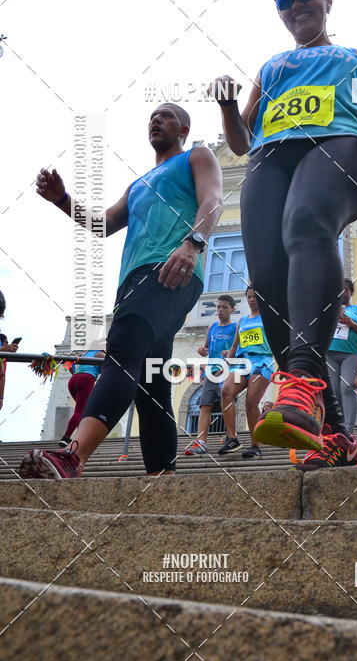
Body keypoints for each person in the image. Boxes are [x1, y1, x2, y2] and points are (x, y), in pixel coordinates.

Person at [211, 0, 357, 470]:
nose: (295, 5)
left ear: (327, 1)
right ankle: (337, 436)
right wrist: (229, 107)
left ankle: (299, 380)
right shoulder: (271, 67)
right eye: (284, 1)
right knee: (271, 285)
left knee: (305, 222)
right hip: (270, 160)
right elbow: (240, 142)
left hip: (338, 147)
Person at [19, 103, 223, 480]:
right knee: (151, 381)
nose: (155, 119)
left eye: (165, 114)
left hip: (171, 268)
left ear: (184, 127)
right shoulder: (140, 183)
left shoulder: (197, 155)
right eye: (151, 116)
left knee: (124, 349)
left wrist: (192, 244)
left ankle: (74, 456)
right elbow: (104, 224)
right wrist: (63, 200)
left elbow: (213, 201)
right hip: (133, 280)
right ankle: (163, 477)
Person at [218, 286, 275, 459]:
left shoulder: (270, 317)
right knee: (226, 391)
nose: (251, 300)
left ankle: (255, 445)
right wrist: (228, 362)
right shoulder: (242, 322)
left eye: (255, 296)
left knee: (251, 402)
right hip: (242, 362)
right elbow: (235, 345)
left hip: (263, 361)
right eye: (249, 297)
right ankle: (232, 438)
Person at [184, 295, 237, 455]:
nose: (220, 310)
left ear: (232, 309)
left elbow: (239, 349)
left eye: (224, 307)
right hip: (210, 372)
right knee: (204, 405)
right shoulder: (212, 327)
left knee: (226, 404)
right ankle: (201, 442)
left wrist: (230, 355)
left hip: (227, 372)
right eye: (219, 307)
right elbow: (206, 348)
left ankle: (231, 438)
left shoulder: (236, 327)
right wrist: (202, 350)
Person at [326, 278, 357, 434]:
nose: (341, 292)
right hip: (329, 355)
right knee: (334, 392)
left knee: (346, 388)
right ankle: (338, 428)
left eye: (345, 289)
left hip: (350, 354)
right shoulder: (327, 308)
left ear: (351, 292)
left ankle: (349, 430)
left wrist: (351, 323)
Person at [58, 349, 106, 447]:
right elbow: (106, 369)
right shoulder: (101, 354)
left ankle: (78, 437)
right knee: (80, 411)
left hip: (73, 380)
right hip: (86, 379)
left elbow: (69, 364)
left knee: (84, 410)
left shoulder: (86, 353)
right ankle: (66, 437)